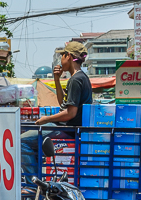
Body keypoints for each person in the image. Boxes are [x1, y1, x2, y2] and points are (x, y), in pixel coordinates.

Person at [21, 41, 91, 179]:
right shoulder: (78, 78)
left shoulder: (76, 80)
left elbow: (70, 113)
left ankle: (32, 186)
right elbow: (63, 104)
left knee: (21, 142)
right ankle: (39, 179)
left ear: (69, 56)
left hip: (66, 129)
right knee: (31, 143)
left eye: (62, 56)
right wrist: (57, 80)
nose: (61, 60)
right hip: (66, 128)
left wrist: (46, 119)